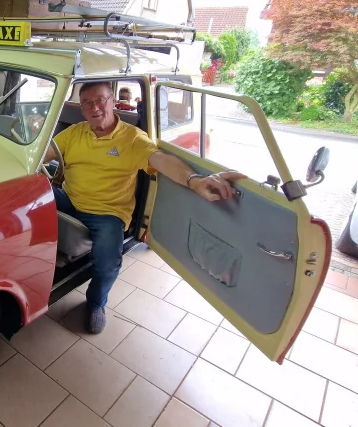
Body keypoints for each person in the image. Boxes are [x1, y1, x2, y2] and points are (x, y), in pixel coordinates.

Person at [44, 81, 246, 334]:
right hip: (70, 198)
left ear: (112, 101)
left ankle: (96, 303)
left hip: (107, 213)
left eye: (101, 100)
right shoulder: (74, 133)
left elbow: (161, 160)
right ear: (81, 107)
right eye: (87, 103)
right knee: (31, 192)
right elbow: (44, 154)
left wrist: (194, 181)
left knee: (107, 263)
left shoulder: (132, 138)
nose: (94, 108)